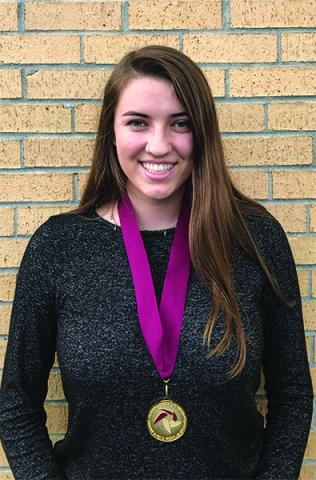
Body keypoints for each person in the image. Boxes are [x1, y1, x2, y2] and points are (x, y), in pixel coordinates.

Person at [0, 45, 313, 480]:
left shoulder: (255, 240)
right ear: (111, 131)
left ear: (201, 133)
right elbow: (16, 403)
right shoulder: (58, 247)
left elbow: (293, 393)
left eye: (180, 123)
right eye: (138, 123)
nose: (159, 144)